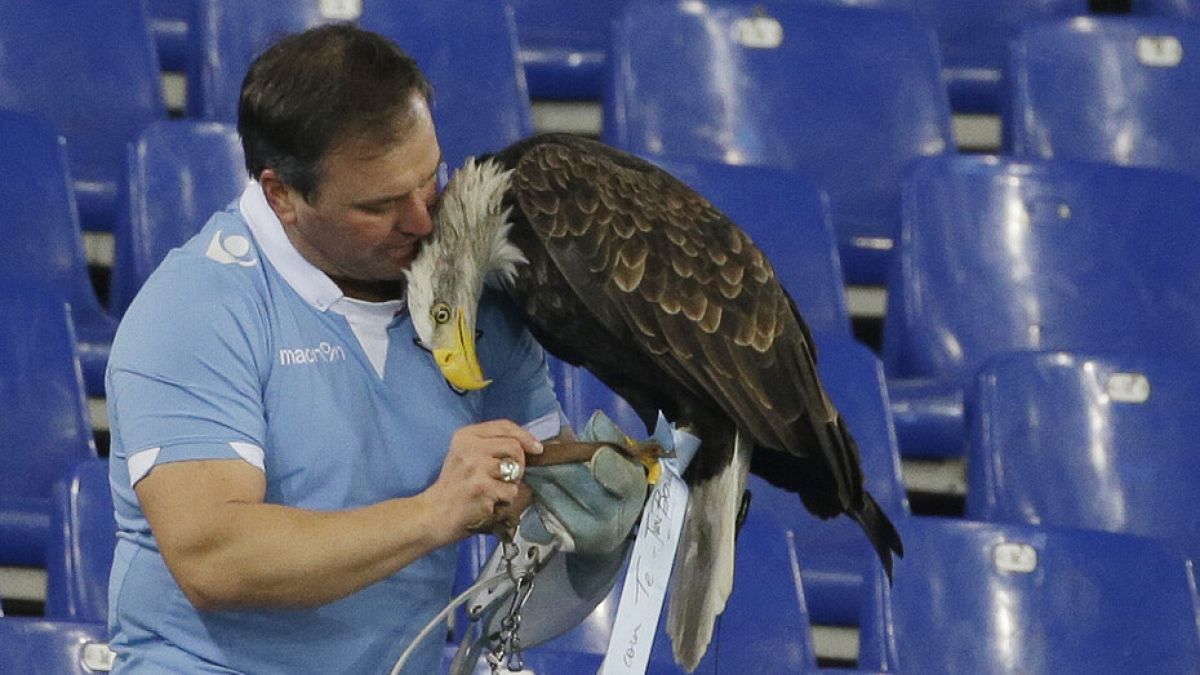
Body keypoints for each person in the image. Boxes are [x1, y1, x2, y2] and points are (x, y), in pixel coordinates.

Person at [106, 24, 641, 673]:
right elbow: (214, 557)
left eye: (429, 177)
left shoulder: (472, 295)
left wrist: (595, 526)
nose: (421, 219)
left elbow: (519, 572)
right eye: (382, 204)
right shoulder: (197, 306)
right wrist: (434, 513)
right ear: (283, 195)